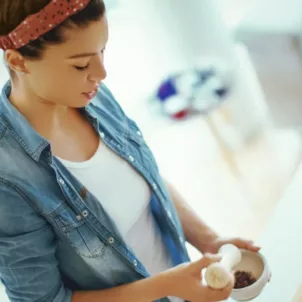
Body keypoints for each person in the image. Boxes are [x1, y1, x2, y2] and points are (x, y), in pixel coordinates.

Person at [0, 1, 260, 301]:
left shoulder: (93, 98)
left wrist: (208, 239)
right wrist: (165, 286)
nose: (101, 73)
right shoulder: (8, 177)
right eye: (81, 64)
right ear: (18, 61)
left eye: (102, 51)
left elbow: (144, 178)